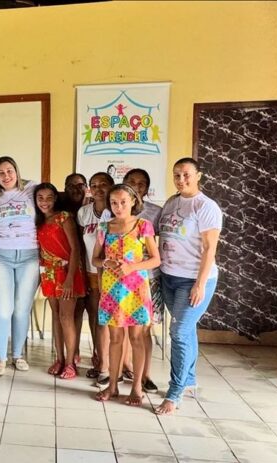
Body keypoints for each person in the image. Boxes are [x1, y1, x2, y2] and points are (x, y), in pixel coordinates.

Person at [155, 158, 222, 416]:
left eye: (186, 175)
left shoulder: (206, 207)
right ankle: (190, 379)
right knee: (187, 330)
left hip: (192, 280)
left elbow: (209, 249)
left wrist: (200, 284)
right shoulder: (172, 202)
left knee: (179, 333)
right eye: (177, 175)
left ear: (198, 175)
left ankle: (175, 392)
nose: (181, 180)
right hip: (169, 277)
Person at [92, 185, 160, 406]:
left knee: (137, 338)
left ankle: (137, 388)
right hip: (112, 290)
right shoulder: (104, 227)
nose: (118, 207)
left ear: (133, 201)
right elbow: (95, 260)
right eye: (113, 203)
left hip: (136, 290)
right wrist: (106, 262)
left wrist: (132, 267)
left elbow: (155, 260)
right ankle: (112, 386)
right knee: (115, 339)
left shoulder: (143, 226)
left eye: (123, 202)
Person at [0, 157, 39, 375]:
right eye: (0, 173)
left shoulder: (32, 189)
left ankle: (18, 355)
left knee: (21, 309)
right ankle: (0, 358)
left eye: (9, 171)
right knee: (3, 309)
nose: (6, 176)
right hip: (0, 254)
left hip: (29, 255)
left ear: (17, 171)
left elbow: (51, 200)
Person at [34, 183, 85, 379]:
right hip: (48, 273)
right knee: (56, 315)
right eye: (40, 198)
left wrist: (70, 278)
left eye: (49, 198)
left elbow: (75, 249)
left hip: (67, 272)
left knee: (66, 317)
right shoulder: (38, 222)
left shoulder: (64, 218)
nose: (44, 202)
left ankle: (71, 362)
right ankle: (60, 358)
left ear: (55, 198)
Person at [124, 168, 163, 394]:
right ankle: (125, 368)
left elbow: (159, 250)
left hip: (148, 280)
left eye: (141, 183)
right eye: (131, 182)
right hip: (121, 282)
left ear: (147, 189)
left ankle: (145, 375)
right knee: (123, 329)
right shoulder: (115, 210)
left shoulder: (156, 213)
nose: (136, 186)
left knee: (143, 331)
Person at [78, 172, 113, 386]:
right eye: (94, 185)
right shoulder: (83, 213)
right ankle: (100, 361)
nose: (98, 189)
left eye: (103, 184)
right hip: (91, 272)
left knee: (112, 322)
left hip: (112, 275)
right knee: (96, 319)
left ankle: (113, 366)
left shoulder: (116, 210)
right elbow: (82, 243)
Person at [61, 173, 90, 366]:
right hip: (72, 266)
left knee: (95, 313)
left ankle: (98, 356)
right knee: (76, 311)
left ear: (86, 187)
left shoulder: (93, 208)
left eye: (79, 185)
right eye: (70, 185)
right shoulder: (60, 209)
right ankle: (75, 351)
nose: (75, 189)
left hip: (93, 266)